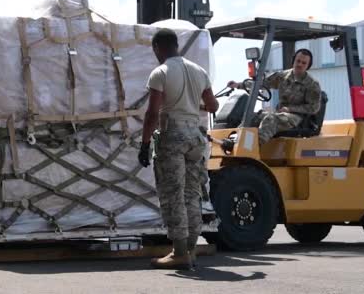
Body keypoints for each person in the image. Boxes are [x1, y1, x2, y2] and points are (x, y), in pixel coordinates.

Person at [138, 28, 218, 270]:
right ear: (176, 46)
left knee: (174, 194)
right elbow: (213, 106)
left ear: (157, 48)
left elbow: (152, 114)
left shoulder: (160, 73)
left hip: (173, 137)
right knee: (192, 194)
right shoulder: (199, 71)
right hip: (196, 137)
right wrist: (194, 104)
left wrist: (144, 144)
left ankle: (179, 253)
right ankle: (191, 250)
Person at [227, 48, 322, 145]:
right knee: (253, 117)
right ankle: (233, 142)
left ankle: (253, 148)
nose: (300, 64)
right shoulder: (283, 76)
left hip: (296, 117)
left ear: (308, 66)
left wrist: (290, 109)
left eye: (304, 63)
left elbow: (314, 108)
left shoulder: (312, 84)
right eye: (298, 61)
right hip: (280, 114)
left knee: (271, 119)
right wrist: (239, 85)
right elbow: (262, 84)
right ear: (293, 61)